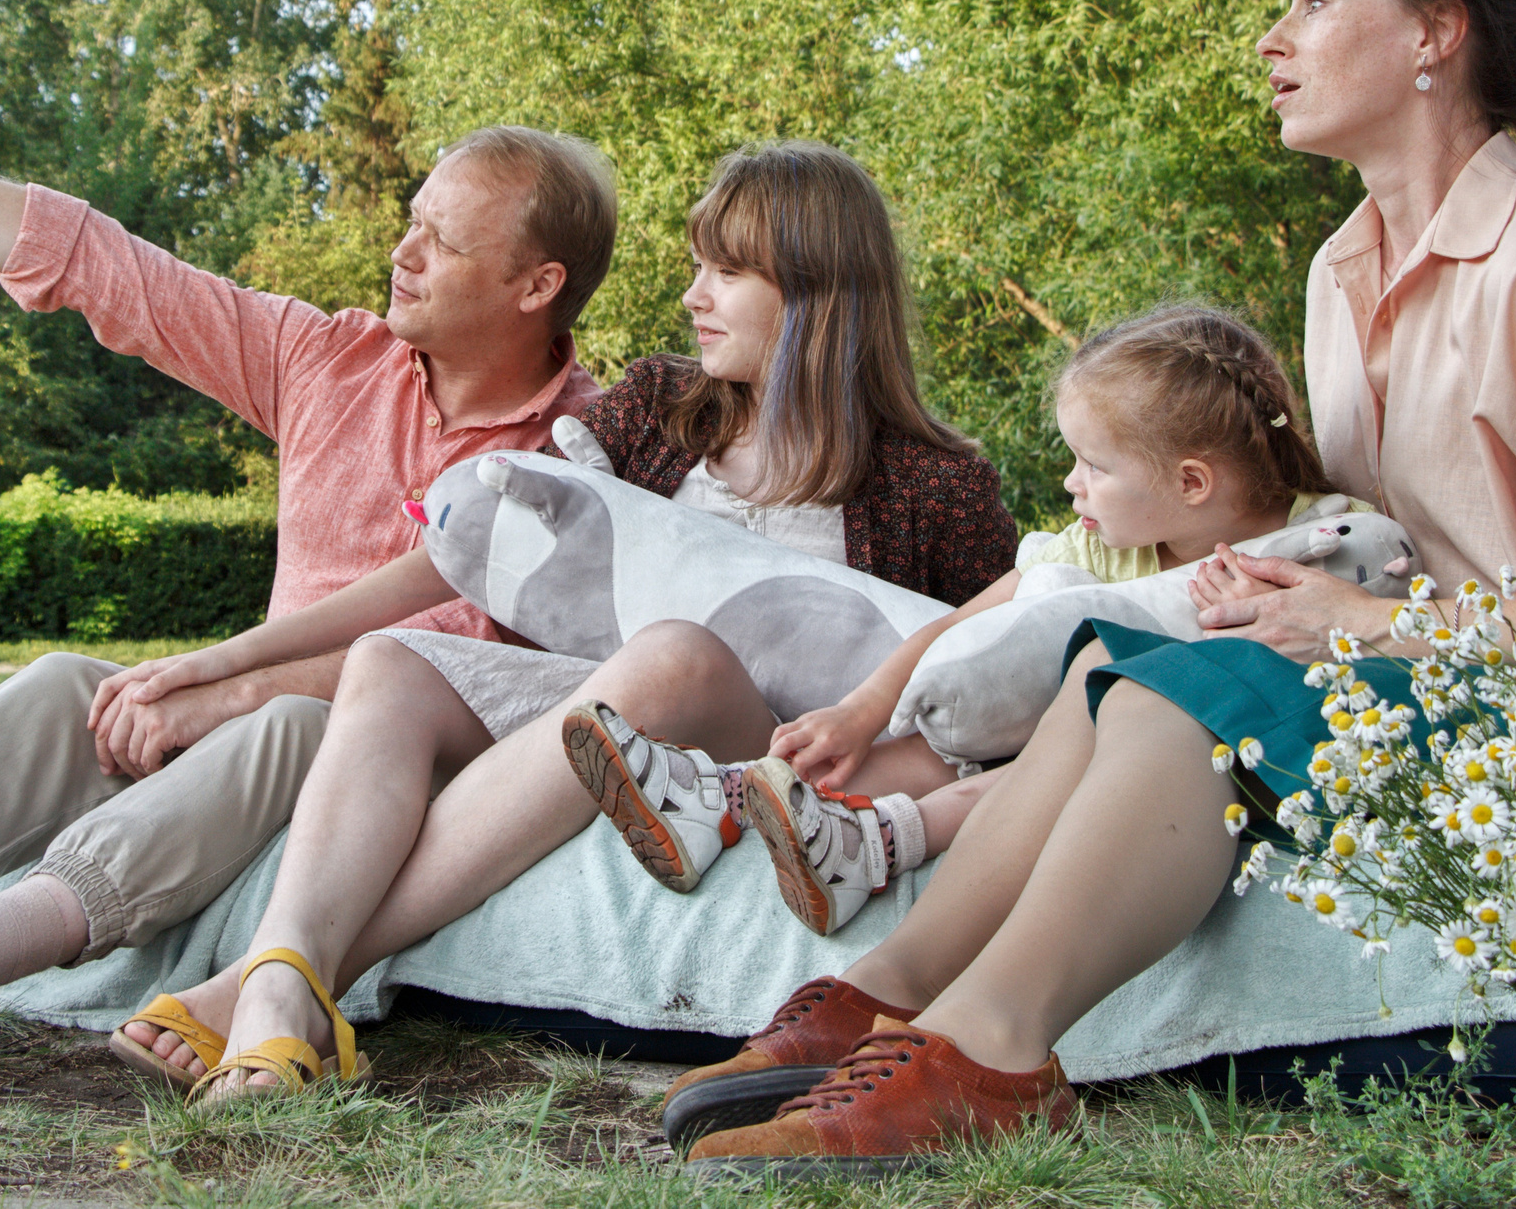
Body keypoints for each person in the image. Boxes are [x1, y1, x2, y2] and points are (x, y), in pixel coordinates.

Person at [671, 0, 1516, 1176]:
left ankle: (1000, 1048)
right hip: (1452, 679)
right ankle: (888, 991)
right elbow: (1385, 530)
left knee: (1181, 701)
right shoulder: (1344, 268)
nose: (1273, 37)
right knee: (1104, 663)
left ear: (1434, 35)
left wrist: (1371, 622)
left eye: (1314, 1)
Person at [0, 110, 619, 1073]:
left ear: (536, 285)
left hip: (398, 775)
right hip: (247, 727)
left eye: (441, 239)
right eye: (409, 223)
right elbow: (99, 265)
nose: (402, 252)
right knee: (70, 687)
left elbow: (473, 655)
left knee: (294, 725)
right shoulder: (329, 360)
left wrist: (237, 691)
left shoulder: (590, 450)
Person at [112, 139, 1018, 1094]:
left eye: (727, 271)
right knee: (391, 659)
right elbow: (463, 556)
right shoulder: (658, 408)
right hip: (602, 715)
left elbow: (991, 684)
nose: (692, 296)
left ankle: (280, 982)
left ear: (819, 291)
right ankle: (282, 979)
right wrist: (230, 658)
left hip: (775, 750)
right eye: (695, 266)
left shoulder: (939, 487)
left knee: (670, 655)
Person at [588, 303, 1375, 936]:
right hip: (1014, 747)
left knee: (996, 755)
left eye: (1094, 467)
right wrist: (862, 712)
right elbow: (965, 623)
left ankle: (791, 820)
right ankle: (724, 804)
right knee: (915, 744)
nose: (1071, 484)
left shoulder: (1316, 549)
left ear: (1193, 481)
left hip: (1145, 776)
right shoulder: (1105, 545)